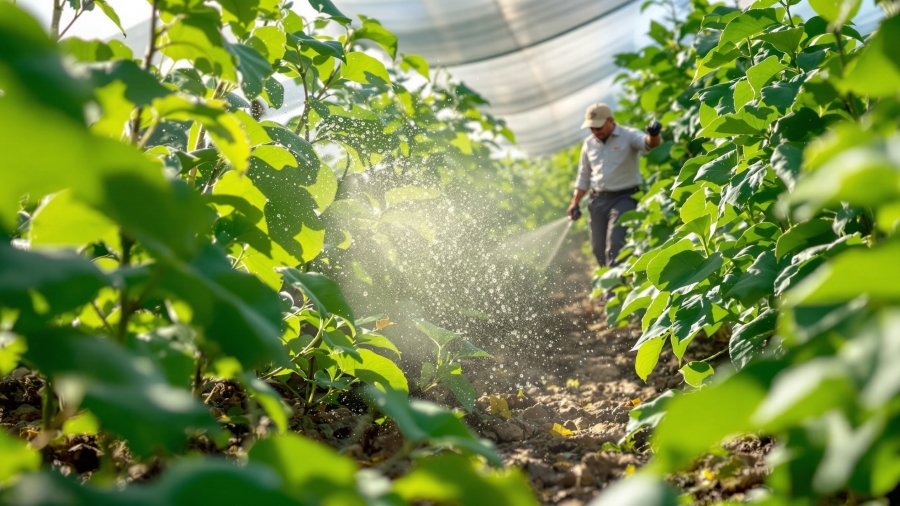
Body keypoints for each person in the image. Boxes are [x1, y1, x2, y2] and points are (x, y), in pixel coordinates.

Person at [567, 103, 661, 269]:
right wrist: (575, 202)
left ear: (610, 121)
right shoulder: (589, 144)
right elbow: (583, 176)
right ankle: (610, 284)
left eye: (599, 127)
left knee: (615, 245)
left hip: (624, 198)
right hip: (598, 200)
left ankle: (613, 292)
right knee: (598, 249)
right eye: (592, 128)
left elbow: (649, 144)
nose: (596, 132)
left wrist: (654, 134)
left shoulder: (629, 135)